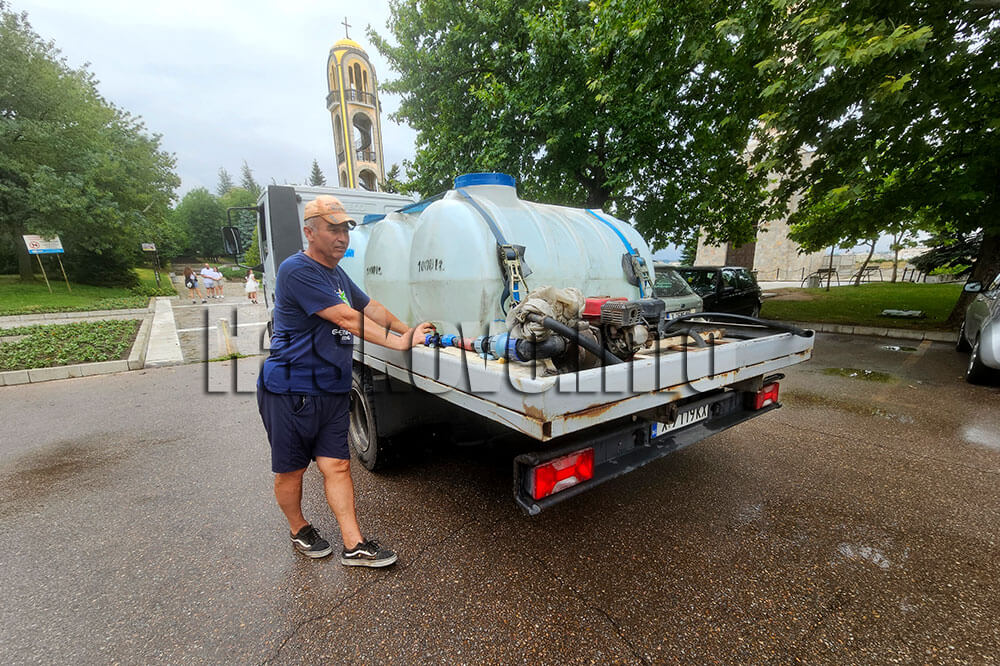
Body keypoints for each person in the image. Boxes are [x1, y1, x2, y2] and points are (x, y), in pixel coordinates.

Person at [256, 194, 434, 567]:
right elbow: (346, 318)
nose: (342, 237)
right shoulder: (296, 270)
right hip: (292, 389)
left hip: (332, 389)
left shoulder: (336, 275)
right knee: (292, 470)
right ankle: (299, 528)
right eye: (332, 229)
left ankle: (354, 545)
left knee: (337, 466)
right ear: (309, 232)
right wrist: (399, 343)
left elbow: (370, 308)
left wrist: (409, 330)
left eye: (345, 230)